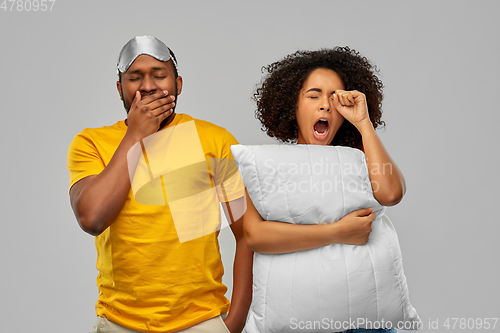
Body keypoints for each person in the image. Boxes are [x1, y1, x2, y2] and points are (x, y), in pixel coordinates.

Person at [67, 36, 252, 333]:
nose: (148, 86)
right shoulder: (91, 143)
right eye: (134, 77)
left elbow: (248, 235)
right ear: (119, 89)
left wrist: (236, 321)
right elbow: (92, 218)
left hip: (202, 321)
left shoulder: (216, 141)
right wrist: (136, 135)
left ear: (178, 84)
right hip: (118, 322)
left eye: (159, 75)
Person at [243, 47, 406, 332]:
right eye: (314, 95)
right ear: (292, 105)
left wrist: (364, 123)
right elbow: (255, 235)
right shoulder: (267, 167)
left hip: (365, 325)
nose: (325, 105)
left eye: (335, 97)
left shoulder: (360, 157)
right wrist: (337, 232)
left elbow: (391, 194)